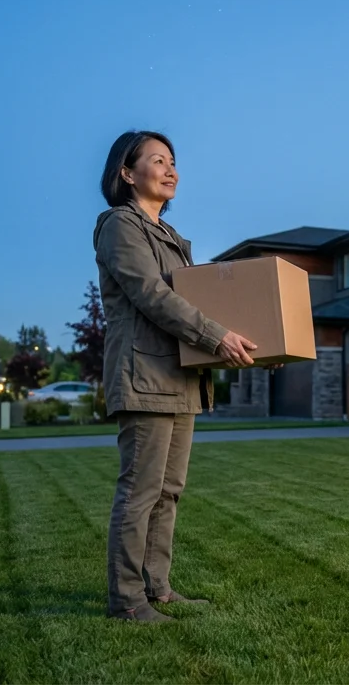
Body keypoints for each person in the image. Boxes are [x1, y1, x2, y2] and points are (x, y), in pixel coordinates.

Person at [94, 130, 258, 623]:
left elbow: (191, 298)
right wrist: (216, 336)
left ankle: (158, 589)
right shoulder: (119, 226)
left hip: (182, 379)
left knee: (169, 491)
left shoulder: (172, 238)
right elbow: (152, 296)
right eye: (158, 160)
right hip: (144, 376)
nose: (171, 170)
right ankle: (126, 600)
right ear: (127, 173)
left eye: (173, 162)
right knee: (140, 492)